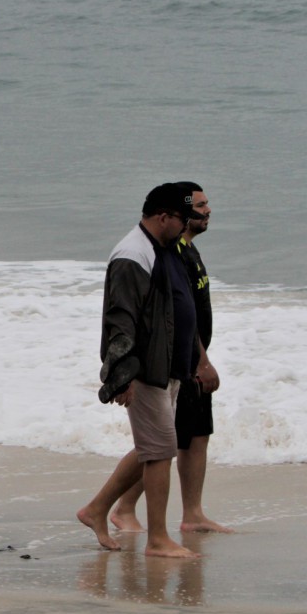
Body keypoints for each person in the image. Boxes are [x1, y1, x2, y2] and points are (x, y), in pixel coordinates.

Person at [75, 183, 210, 559]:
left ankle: (97, 510)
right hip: (146, 369)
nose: (186, 225)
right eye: (182, 218)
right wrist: (121, 375)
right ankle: (158, 540)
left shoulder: (163, 248)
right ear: (163, 217)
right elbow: (121, 320)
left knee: (152, 447)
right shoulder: (133, 254)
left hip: (167, 367)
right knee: (159, 450)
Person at [108, 183, 232, 535]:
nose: (207, 212)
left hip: (185, 361)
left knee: (193, 436)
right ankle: (120, 508)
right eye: (199, 207)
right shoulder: (161, 252)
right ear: (174, 216)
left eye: (209, 205)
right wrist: (200, 361)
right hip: (174, 364)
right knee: (160, 445)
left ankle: (192, 513)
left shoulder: (186, 252)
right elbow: (136, 317)